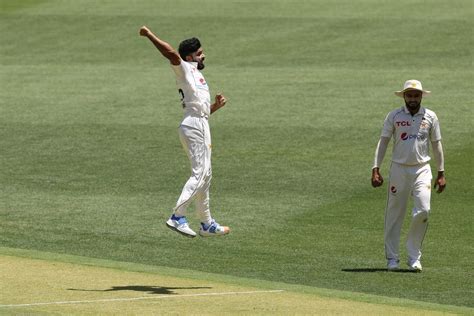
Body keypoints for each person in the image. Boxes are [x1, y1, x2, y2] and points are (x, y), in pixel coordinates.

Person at [139, 26, 230, 238]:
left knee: (205, 175)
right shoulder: (184, 68)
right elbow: (170, 53)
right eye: (199, 53)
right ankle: (177, 216)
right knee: (199, 173)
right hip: (193, 127)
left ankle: (206, 223)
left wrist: (215, 107)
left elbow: (200, 110)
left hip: (200, 124)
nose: (203, 55)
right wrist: (149, 34)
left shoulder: (196, 75)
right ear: (189, 57)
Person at [371, 79, 446, 272]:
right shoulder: (394, 116)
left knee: (423, 210)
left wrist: (441, 172)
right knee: (394, 214)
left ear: (421, 96)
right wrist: (375, 168)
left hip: (422, 168)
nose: (413, 99)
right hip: (399, 169)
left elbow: (436, 144)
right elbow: (384, 141)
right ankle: (392, 259)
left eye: (416, 95)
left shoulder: (430, 116)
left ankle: (414, 257)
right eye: (409, 95)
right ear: (404, 96)